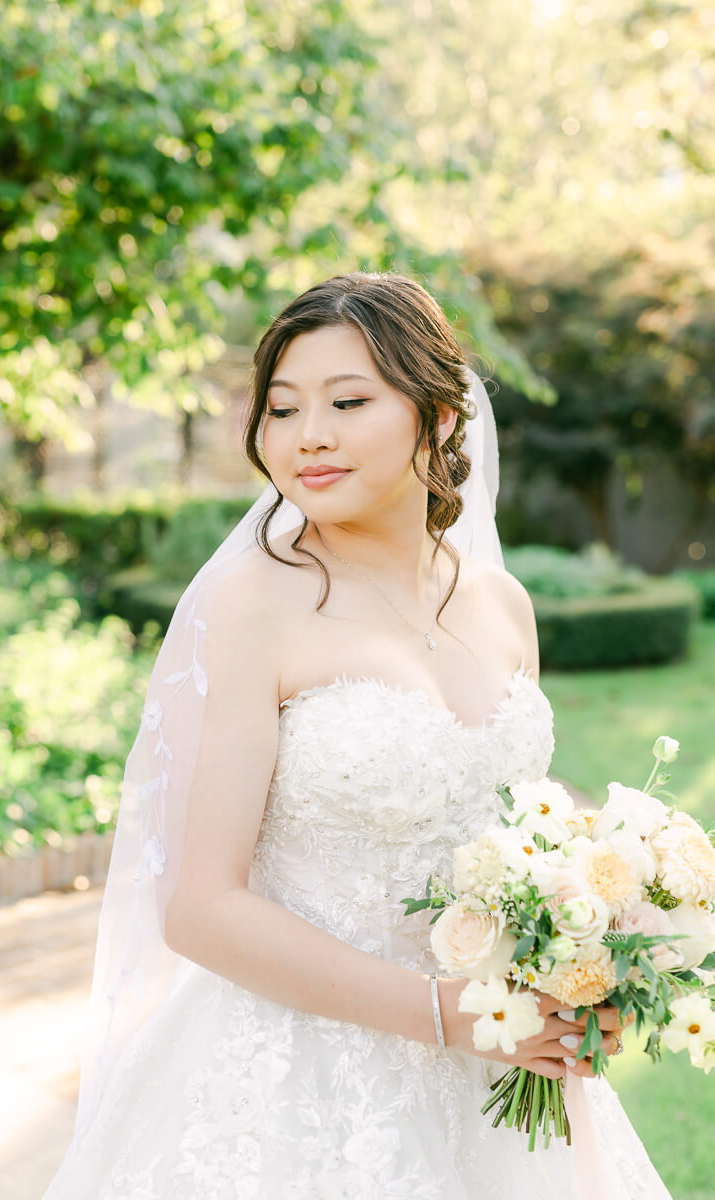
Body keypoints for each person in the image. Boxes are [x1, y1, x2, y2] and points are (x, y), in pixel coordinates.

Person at [42, 272, 672, 1199]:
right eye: (282, 409)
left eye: (348, 401)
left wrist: (583, 964)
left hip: (497, 1067)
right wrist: (443, 1012)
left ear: (441, 417)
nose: (309, 437)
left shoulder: (502, 605)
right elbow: (201, 907)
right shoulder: (254, 602)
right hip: (295, 1077)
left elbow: (508, 834)